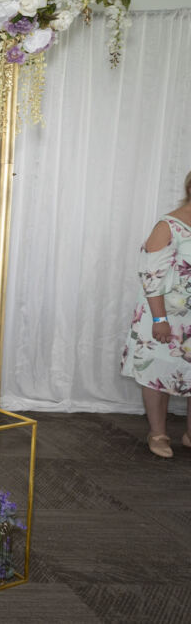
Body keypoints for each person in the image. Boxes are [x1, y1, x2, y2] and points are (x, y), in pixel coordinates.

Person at [121, 171, 191, 458]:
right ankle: (158, 433)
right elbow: (151, 277)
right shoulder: (168, 226)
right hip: (164, 315)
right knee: (157, 373)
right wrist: (160, 320)